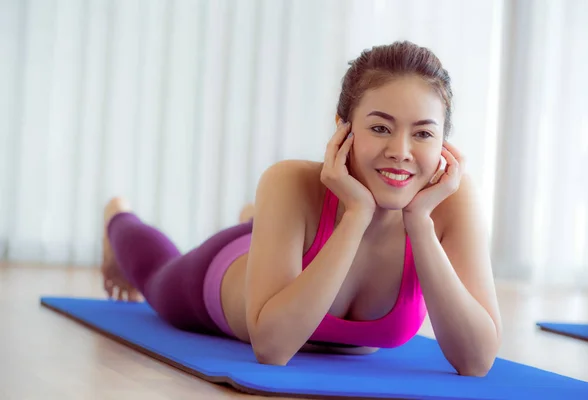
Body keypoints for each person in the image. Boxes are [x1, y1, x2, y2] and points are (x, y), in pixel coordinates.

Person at [101, 41, 502, 376]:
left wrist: (420, 224)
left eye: (423, 134)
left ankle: (261, 223)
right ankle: (117, 218)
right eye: (380, 127)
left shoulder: (451, 201)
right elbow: (273, 349)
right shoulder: (288, 180)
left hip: (297, 232)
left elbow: (477, 360)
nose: (400, 152)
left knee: (278, 229)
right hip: (228, 272)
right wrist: (356, 216)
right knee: (156, 279)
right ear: (343, 128)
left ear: (444, 144)